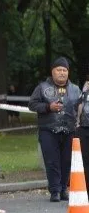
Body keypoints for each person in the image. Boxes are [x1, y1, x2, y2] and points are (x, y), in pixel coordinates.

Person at [28, 57, 82, 202]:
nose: (62, 73)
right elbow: (32, 105)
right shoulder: (42, 87)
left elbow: (81, 108)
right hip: (48, 130)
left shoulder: (76, 89)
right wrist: (47, 107)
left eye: (65, 70)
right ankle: (54, 191)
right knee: (52, 161)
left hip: (69, 130)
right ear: (52, 71)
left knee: (66, 161)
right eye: (59, 70)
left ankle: (64, 189)